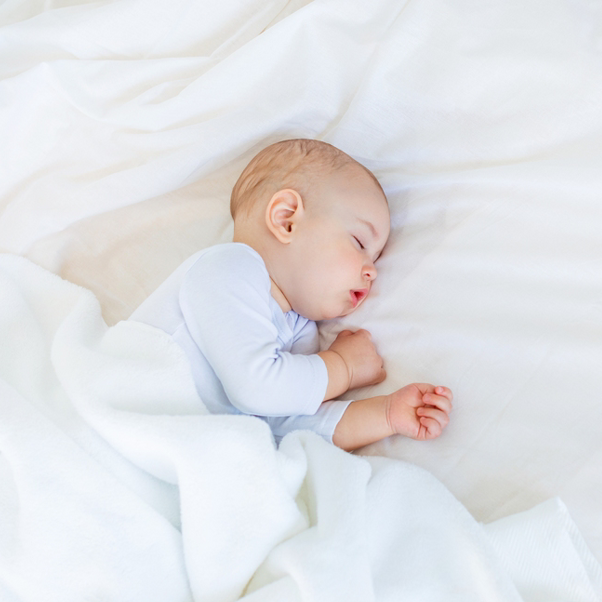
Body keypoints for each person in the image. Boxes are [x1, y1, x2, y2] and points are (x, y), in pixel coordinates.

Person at [130, 139, 452, 451]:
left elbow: (284, 428)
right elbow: (256, 387)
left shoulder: (299, 330)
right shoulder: (226, 267)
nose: (372, 271)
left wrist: (385, 415)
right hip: (134, 412)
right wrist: (343, 367)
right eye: (358, 242)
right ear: (286, 220)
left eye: (376, 259)